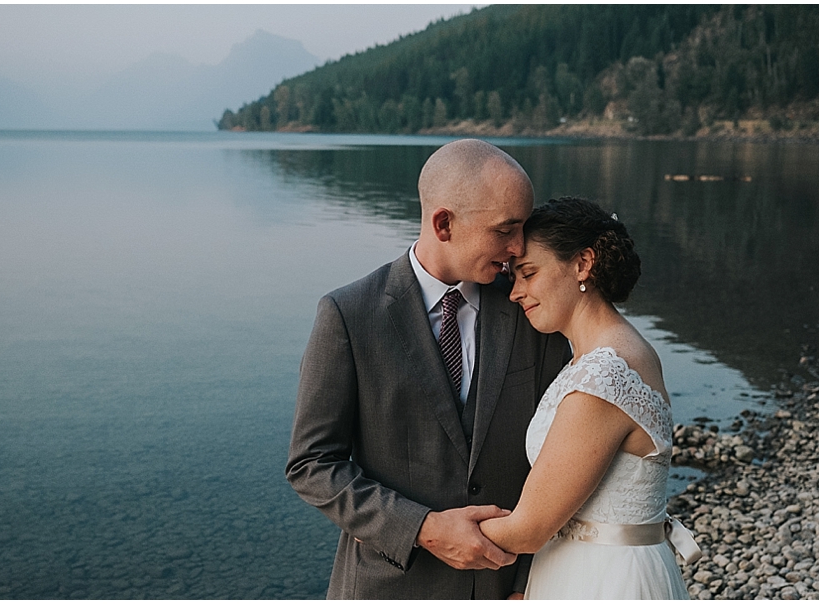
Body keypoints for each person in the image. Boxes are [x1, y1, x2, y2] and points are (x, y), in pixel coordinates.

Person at [285, 139, 571, 599]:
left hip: (510, 588)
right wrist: (424, 528)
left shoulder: (530, 309)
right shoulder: (348, 315)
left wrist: (527, 582)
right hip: (389, 586)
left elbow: (559, 456)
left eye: (523, 228)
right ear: (444, 223)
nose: (518, 248)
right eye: (505, 230)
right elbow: (312, 464)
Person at [479, 196, 697, 599]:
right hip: (591, 566)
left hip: (605, 580)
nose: (515, 293)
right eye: (514, 278)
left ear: (582, 264)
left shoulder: (603, 377)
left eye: (528, 273)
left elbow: (528, 530)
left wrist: (423, 531)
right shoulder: (615, 351)